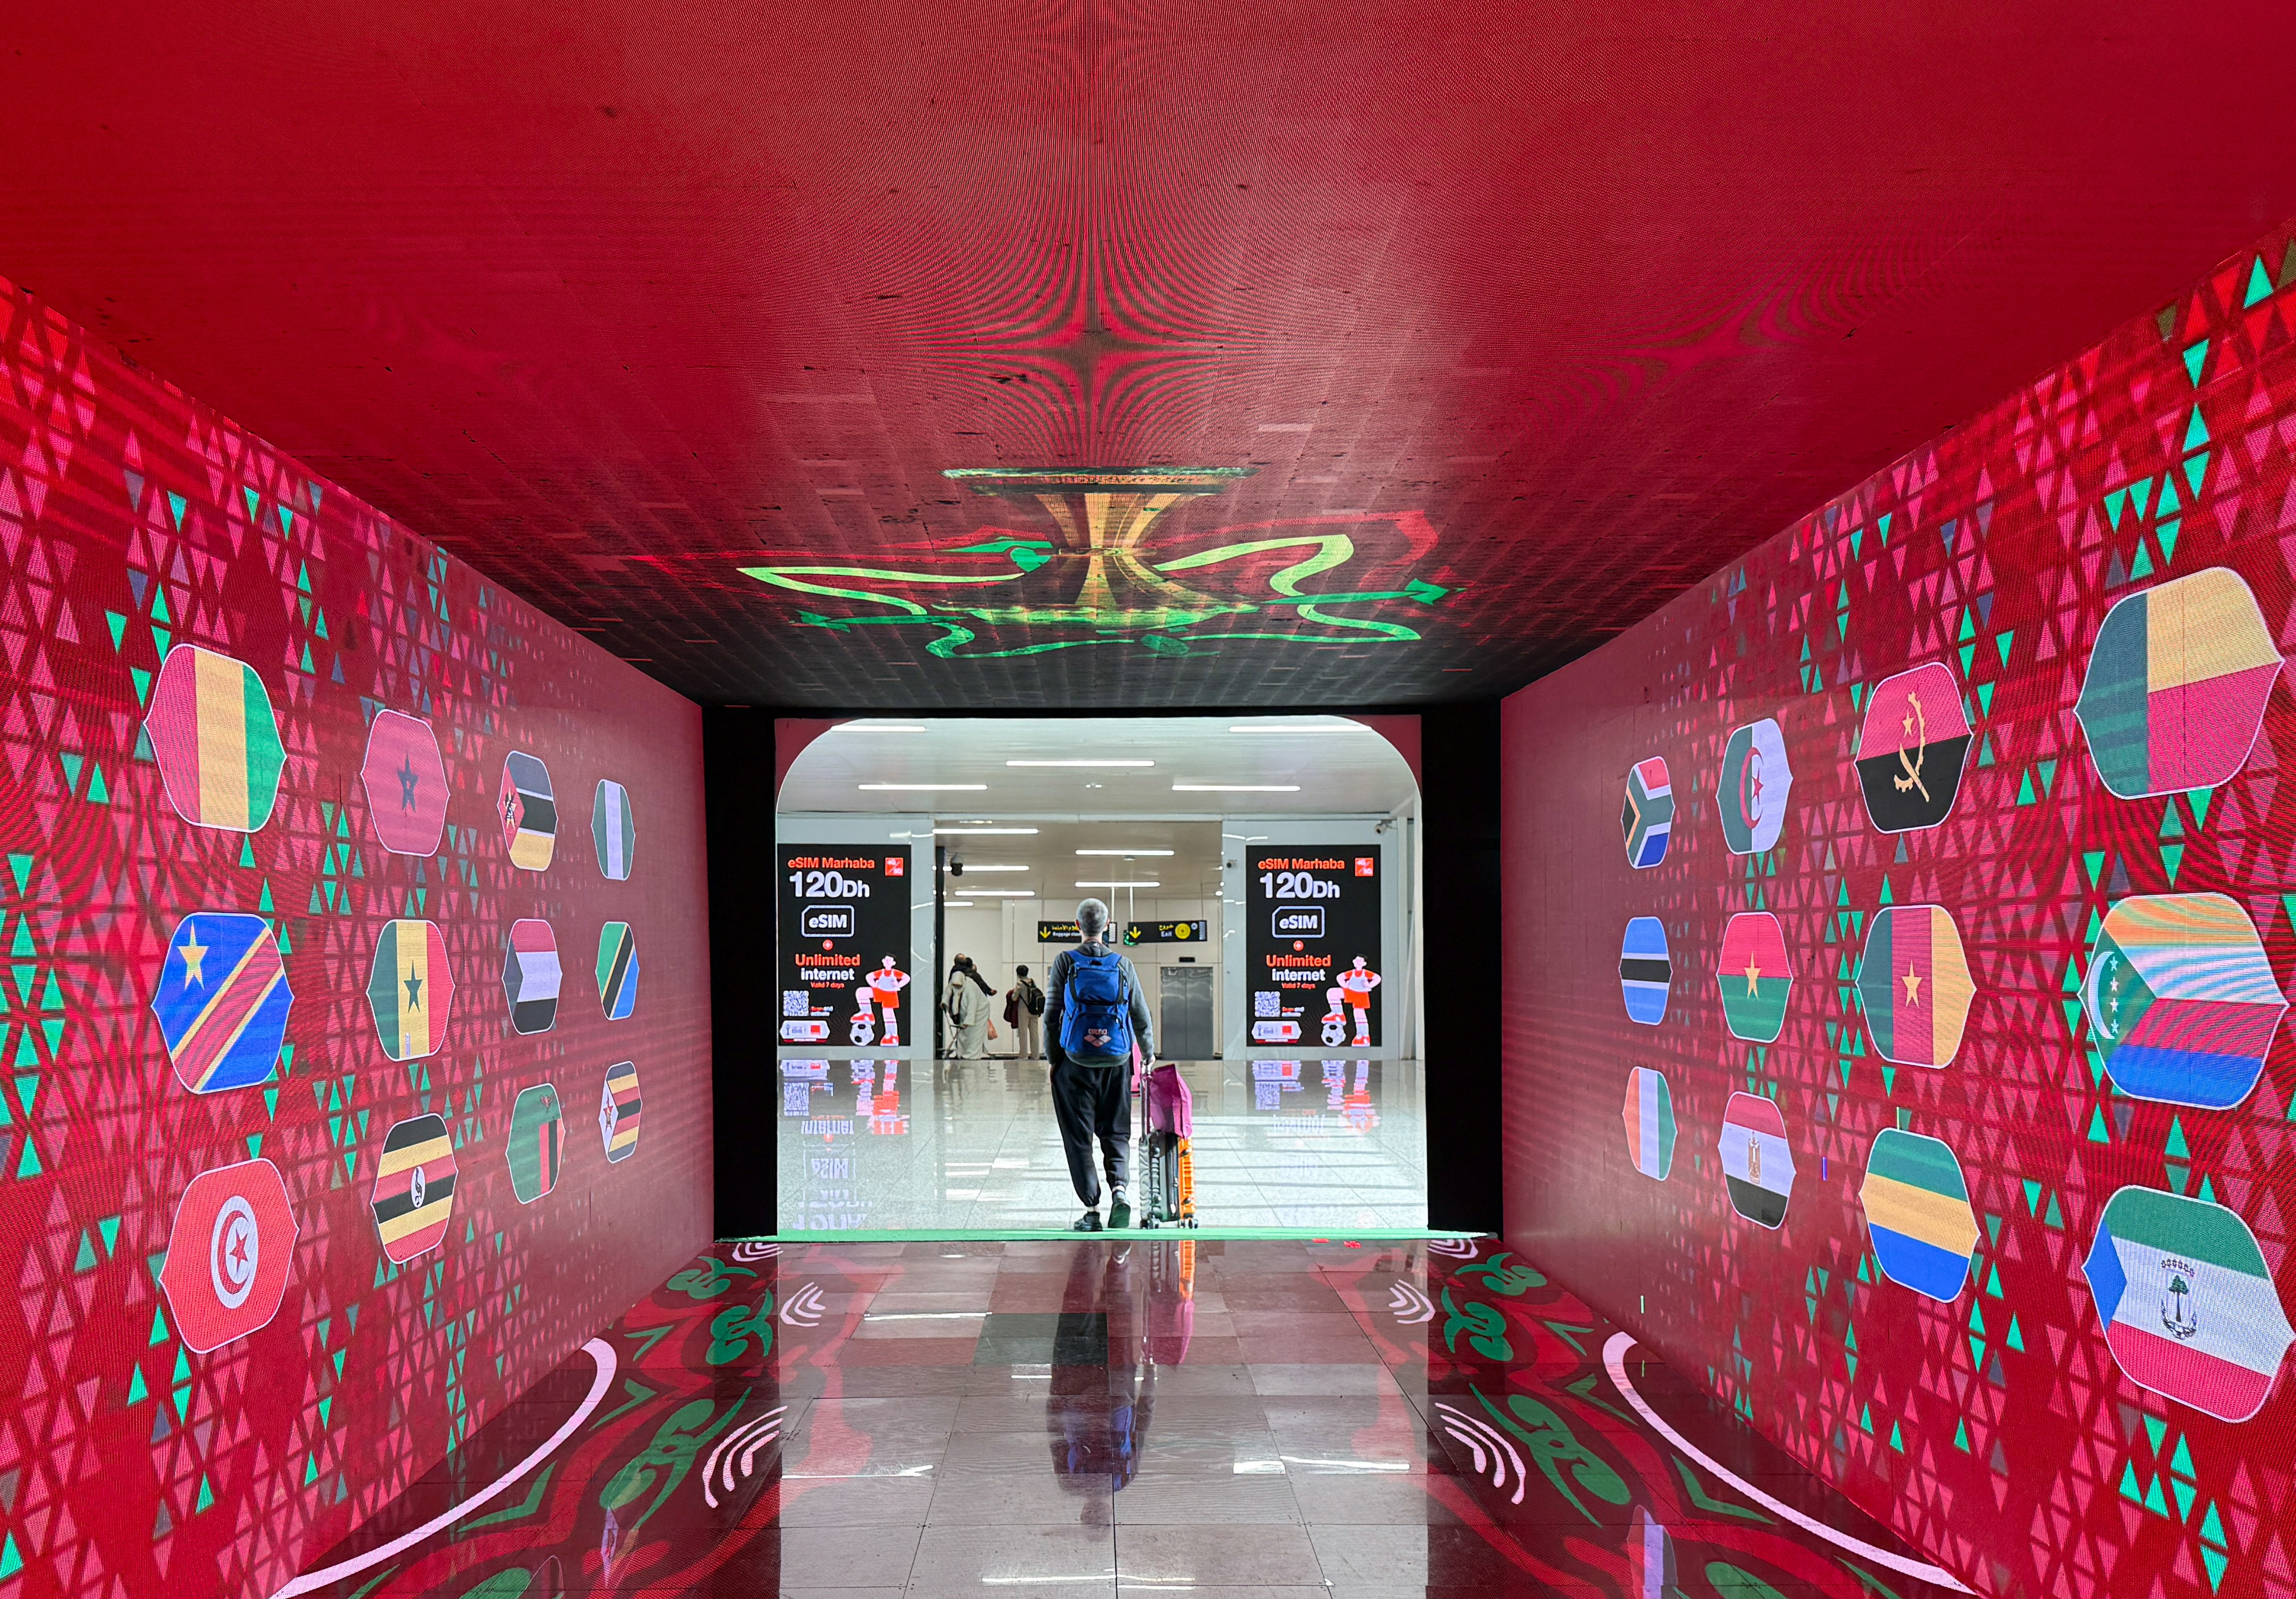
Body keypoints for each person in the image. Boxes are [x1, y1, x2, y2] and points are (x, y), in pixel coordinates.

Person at [1044, 898, 1154, 1231]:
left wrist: (1054, 1060)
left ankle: (1091, 1208)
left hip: (1075, 1060)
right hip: (1117, 1059)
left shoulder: (1065, 961)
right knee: (1116, 1128)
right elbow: (1140, 1014)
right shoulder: (1123, 964)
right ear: (1107, 926)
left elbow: (1051, 1016)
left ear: (1077, 925)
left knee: (1078, 1136)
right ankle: (1119, 1190)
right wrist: (1147, 1052)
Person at [942, 954, 995, 1059]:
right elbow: (948, 993)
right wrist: (944, 1003)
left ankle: (972, 1054)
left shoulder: (970, 988)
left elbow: (973, 1007)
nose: (957, 988)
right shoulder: (955, 983)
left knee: (974, 1033)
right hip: (964, 1009)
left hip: (980, 1011)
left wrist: (967, 1022)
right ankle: (962, 1053)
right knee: (963, 1034)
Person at [1006, 963, 1045, 1059]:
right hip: (1034, 1011)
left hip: (1024, 1011)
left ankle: (1023, 1055)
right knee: (1034, 1033)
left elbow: (1014, 998)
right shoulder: (1032, 982)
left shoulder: (1020, 984)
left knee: (1023, 1033)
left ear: (1018, 974)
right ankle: (1035, 1056)